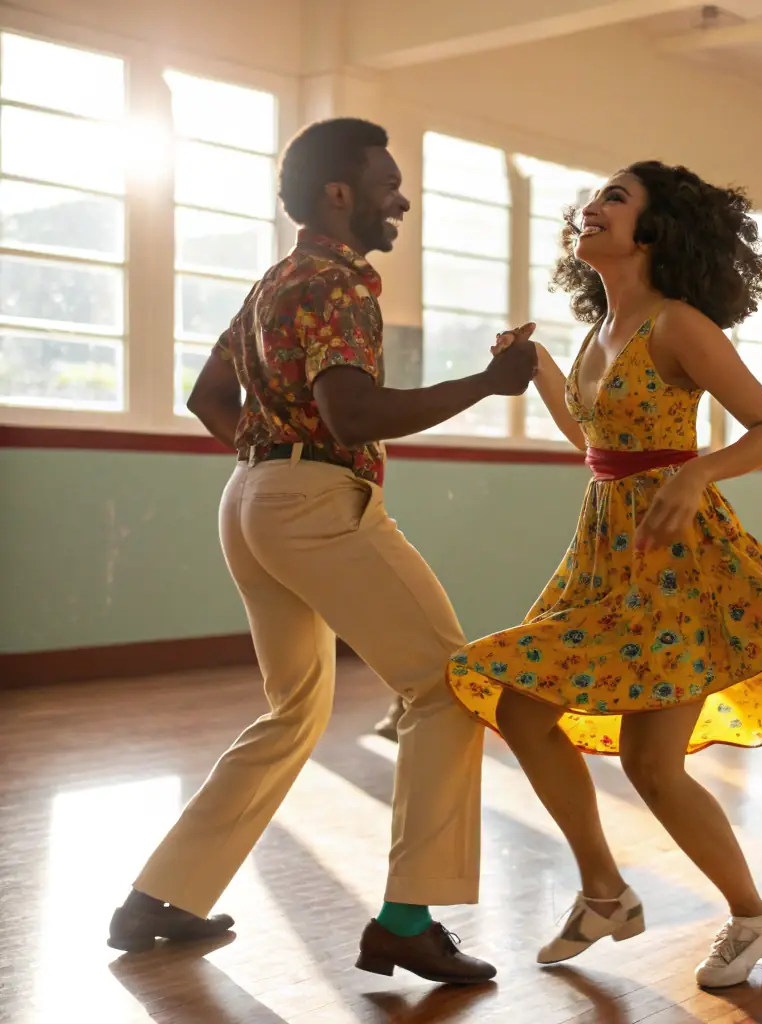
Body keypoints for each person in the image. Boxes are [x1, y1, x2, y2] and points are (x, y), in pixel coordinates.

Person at [107, 118, 538, 985]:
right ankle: (406, 922)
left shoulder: (274, 282)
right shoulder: (338, 287)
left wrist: (268, 467)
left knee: (293, 709)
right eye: (388, 184)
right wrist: (487, 386)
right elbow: (353, 415)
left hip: (249, 503)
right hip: (310, 500)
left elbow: (207, 395)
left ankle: (162, 896)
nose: (401, 199)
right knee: (450, 688)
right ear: (339, 193)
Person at [447, 161, 762, 989]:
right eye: (594, 196)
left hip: (679, 563)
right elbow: (594, 441)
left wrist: (695, 473)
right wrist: (536, 368)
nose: (592, 207)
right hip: (606, 548)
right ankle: (603, 890)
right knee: (523, 709)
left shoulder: (679, 326)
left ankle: (751, 916)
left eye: (616, 197)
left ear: (654, 231)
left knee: (651, 765)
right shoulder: (596, 332)